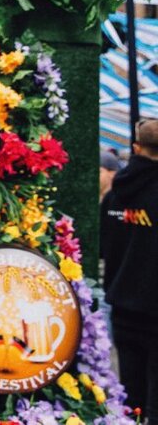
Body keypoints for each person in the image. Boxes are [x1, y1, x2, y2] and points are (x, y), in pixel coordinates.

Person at [101, 118, 158, 422]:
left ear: (136, 148)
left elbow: (104, 246)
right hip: (154, 309)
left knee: (130, 398)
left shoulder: (114, 196)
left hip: (122, 308)